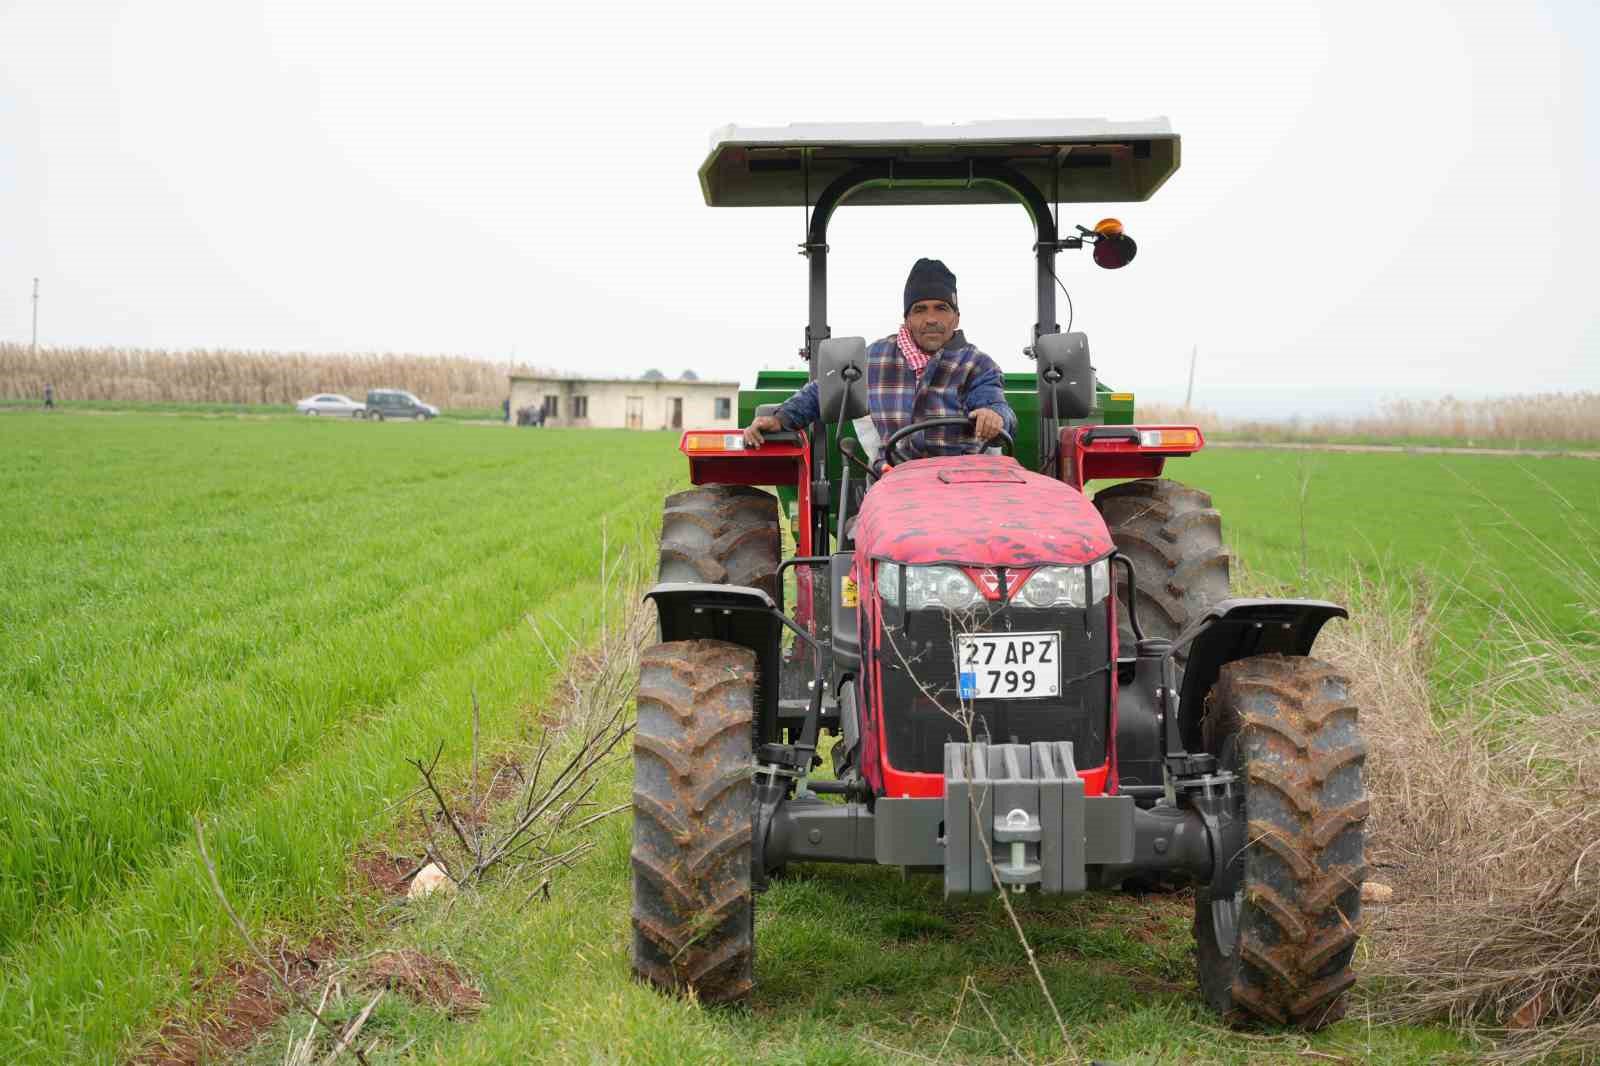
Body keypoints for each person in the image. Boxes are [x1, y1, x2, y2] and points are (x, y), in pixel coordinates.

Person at [742, 258, 1016, 463]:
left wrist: (994, 417)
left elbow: (995, 405)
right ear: (907, 318)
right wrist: (780, 418)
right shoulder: (873, 359)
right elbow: (821, 393)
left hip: (964, 484)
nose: (931, 319)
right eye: (920, 309)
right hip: (896, 485)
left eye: (941, 308)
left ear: (956, 317)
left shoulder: (978, 364)